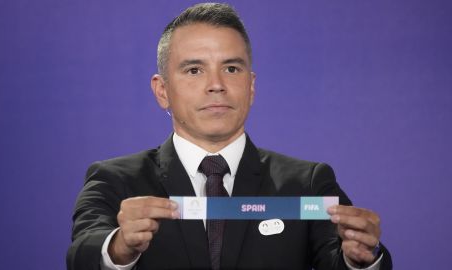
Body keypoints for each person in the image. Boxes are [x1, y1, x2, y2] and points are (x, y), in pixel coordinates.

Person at [67, 3, 392, 270]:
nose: (216, 84)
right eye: (194, 70)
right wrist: (119, 248)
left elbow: (342, 258)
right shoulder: (114, 180)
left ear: (251, 87)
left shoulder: (308, 182)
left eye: (232, 69)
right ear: (162, 90)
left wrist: (361, 260)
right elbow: (81, 255)